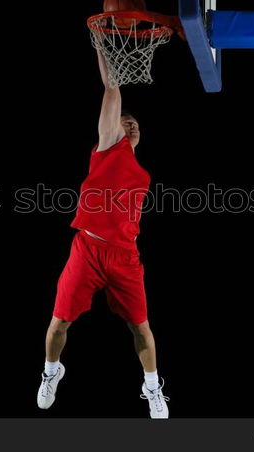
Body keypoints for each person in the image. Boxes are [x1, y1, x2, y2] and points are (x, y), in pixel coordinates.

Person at [36, 49, 169, 418]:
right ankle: (51, 372)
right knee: (59, 322)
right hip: (88, 249)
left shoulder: (137, 167)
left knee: (141, 328)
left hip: (125, 256)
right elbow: (112, 90)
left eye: (135, 123)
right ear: (111, 129)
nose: (131, 125)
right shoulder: (108, 146)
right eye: (125, 121)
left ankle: (153, 386)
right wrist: (102, 46)